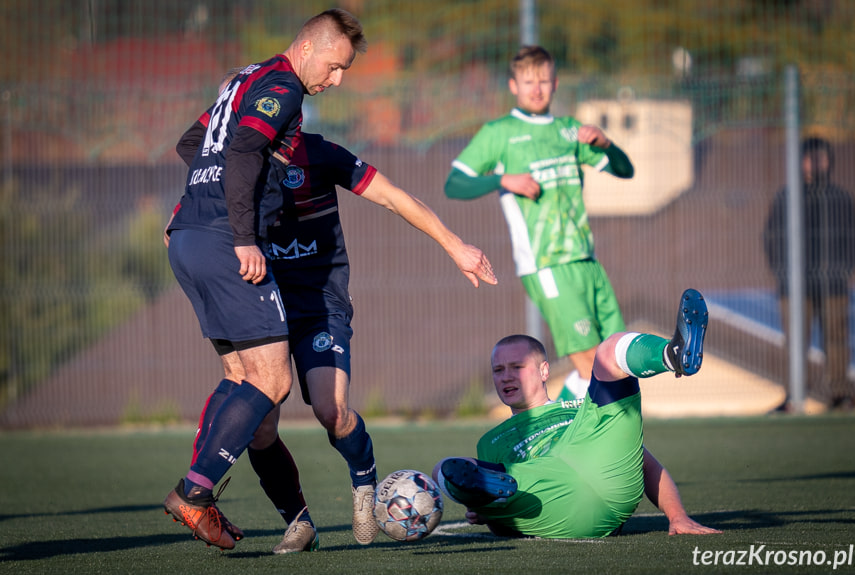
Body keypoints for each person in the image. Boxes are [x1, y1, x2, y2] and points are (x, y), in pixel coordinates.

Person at [167, 70, 498, 551]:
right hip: (261, 291)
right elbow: (197, 169)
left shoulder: (318, 154)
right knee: (260, 423)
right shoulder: (230, 171)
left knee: (331, 411)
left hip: (319, 303)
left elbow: (392, 196)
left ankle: (364, 481)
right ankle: (297, 521)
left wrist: (455, 245)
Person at [161, 9, 367, 550]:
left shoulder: (243, 81)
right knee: (272, 383)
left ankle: (206, 494)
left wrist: (195, 203)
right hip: (225, 243)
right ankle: (194, 492)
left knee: (239, 376)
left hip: (187, 238)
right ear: (307, 48)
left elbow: (192, 144)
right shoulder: (283, 85)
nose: (336, 79)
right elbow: (247, 150)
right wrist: (243, 234)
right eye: (335, 65)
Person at [434, 289, 722, 539]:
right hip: (552, 496)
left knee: (609, 350)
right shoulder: (492, 441)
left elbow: (644, 462)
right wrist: (490, 516)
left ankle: (673, 355)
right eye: (499, 370)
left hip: (604, 471)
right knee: (447, 466)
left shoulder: (579, 408)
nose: (507, 377)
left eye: (517, 368)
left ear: (544, 371)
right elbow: (502, 530)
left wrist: (677, 516)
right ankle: (481, 492)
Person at [444, 45, 635, 404]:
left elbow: (626, 171)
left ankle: (567, 433)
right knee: (592, 363)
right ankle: (559, 439)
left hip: (587, 262)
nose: (537, 88)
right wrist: (504, 180)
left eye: (544, 81)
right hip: (547, 264)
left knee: (617, 361)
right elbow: (454, 183)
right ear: (513, 85)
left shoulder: (569, 131)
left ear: (556, 83)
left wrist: (607, 144)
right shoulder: (499, 133)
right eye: (528, 81)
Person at [763, 137, 855, 411]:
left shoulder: (841, 198)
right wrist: (783, 273)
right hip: (793, 287)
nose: (816, 163)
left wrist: (842, 270)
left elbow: (854, 238)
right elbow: (771, 238)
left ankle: (840, 395)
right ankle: (794, 397)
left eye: (821, 157)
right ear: (800, 161)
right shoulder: (786, 197)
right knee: (795, 343)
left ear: (830, 161)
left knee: (837, 339)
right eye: (809, 157)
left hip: (833, 284)